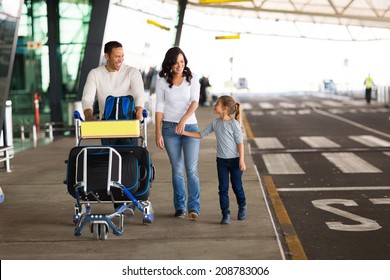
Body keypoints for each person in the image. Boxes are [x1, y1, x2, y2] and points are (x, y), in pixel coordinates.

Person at [179, 95, 247, 225]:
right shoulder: (215, 123)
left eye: (217, 103)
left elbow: (240, 143)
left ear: (225, 108)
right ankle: (225, 214)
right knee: (223, 188)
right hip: (221, 161)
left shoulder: (234, 125)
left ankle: (242, 205)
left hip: (235, 161)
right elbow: (200, 134)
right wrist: (183, 132)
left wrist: (241, 161)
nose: (214, 105)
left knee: (237, 187)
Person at [155, 47, 201, 221]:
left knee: (192, 170)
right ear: (170, 64)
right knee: (177, 170)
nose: (179, 65)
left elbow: (195, 102)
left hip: (190, 127)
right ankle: (180, 207)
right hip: (169, 130)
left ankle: (194, 208)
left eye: (182, 61)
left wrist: (183, 121)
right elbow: (159, 106)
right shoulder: (161, 81)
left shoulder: (192, 79)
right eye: (176, 62)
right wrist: (157, 132)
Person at [81, 40, 145, 145]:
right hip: (107, 126)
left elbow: (139, 95)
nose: (120, 60)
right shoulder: (95, 74)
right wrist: (89, 116)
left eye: (122, 56)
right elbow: (87, 98)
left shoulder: (132, 72)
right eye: (117, 56)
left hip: (128, 125)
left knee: (129, 157)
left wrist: (139, 112)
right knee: (110, 157)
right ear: (107, 56)